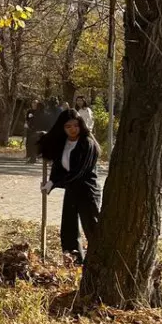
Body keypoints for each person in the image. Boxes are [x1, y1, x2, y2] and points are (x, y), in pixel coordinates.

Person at [40, 109, 101, 265]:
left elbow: (78, 172)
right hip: (71, 188)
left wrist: (56, 183)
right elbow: (58, 167)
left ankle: (99, 259)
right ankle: (74, 259)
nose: (73, 129)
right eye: (68, 126)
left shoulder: (87, 143)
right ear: (63, 128)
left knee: (92, 226)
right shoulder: (64, 143)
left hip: (87, 190)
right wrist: (50, 182)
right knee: (69, 227)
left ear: (81, 125)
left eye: (75, 125)